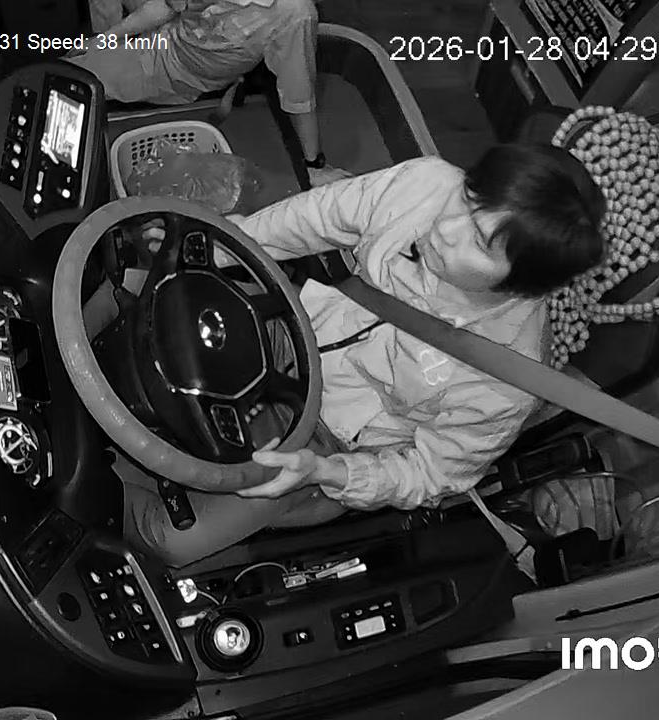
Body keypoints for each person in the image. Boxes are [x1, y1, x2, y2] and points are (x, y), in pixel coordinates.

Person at [115, 145, 607, 567]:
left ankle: (102, 498)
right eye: (467, 197)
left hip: (332, 438)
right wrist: (222, 248)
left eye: (478, 240)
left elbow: (431, 474)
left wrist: (326, 473)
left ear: (519, 285)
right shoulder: (426, 184)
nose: (445, 227)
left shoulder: (506, 380)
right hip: (290, 324)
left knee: (173, 539)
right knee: (129, 292)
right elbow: (313, 218)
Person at [68, 0, 346, 186]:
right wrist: (105, 39)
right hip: (172, 28)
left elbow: (299, 94)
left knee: (69, 76)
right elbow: (166, 6)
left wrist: (314, 165)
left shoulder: (294, 14)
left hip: (174, 67)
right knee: (81, 57)